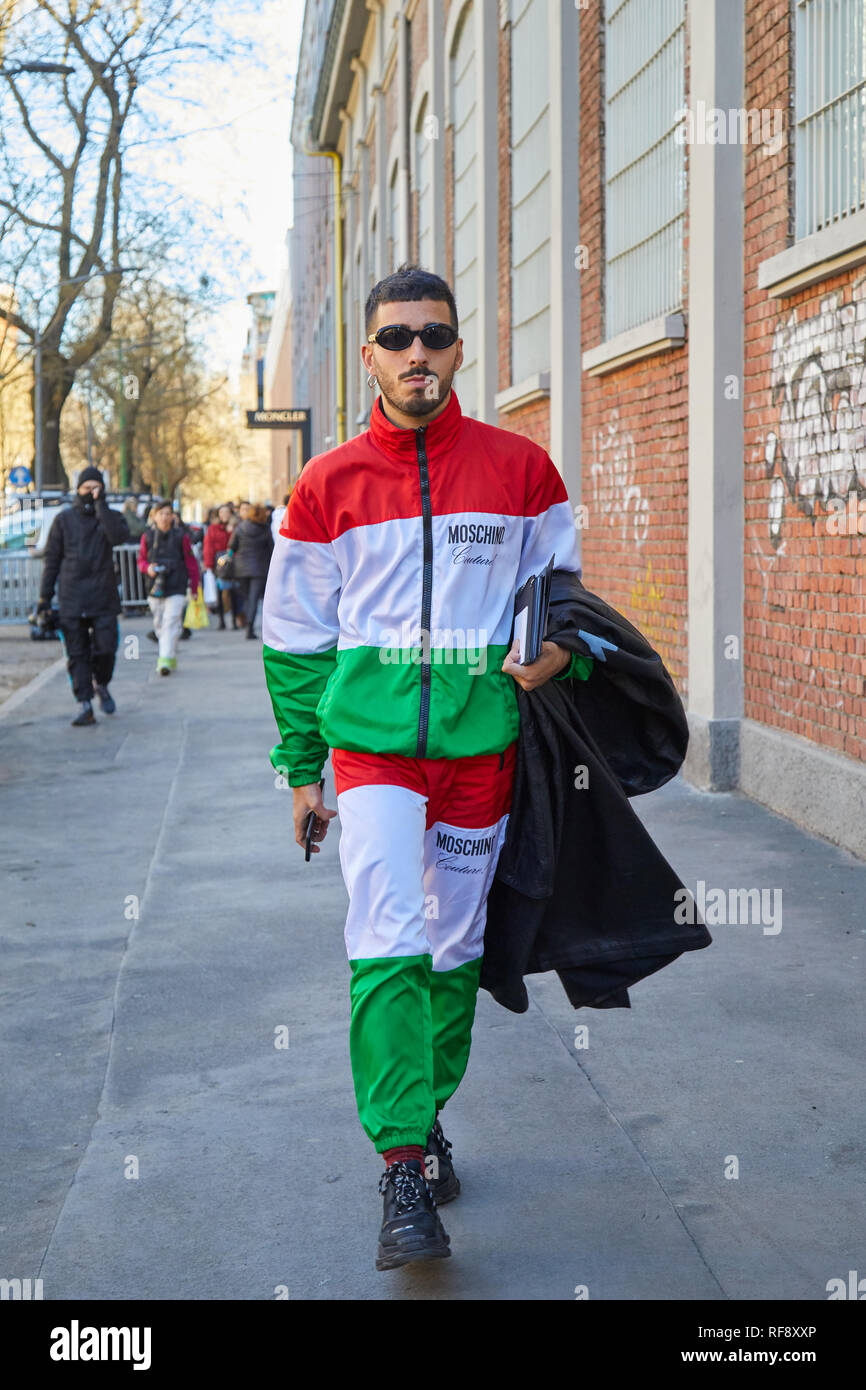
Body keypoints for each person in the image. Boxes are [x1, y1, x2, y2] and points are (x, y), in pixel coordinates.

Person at [262, 265, 585, 1270]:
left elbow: (563, 600)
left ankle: (424, 1111)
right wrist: (300, 769)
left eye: (432, 336)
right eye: (395, 337)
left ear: (456, 351)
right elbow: (293, 640)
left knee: (451, 953)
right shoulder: (324, 486)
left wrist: (554, 649)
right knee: (387, 939)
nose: (415, 353)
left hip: (479, 753)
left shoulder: (522, 471)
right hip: (371, 759)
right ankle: (401, 1165)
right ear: (368, 354)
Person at [37, 465, 130, 726]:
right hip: (72, 598)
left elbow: (119, 537)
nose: (91, 492)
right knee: (77, 654)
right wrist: (44, 597)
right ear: (78, 489)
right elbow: (52, 560)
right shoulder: (64, 520)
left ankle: (101, 683)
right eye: (87, 488)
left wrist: (101, 507)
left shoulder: (110, 516)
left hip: (103, 596)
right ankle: (85, 703)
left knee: (106, 649)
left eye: (96, 487)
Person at [137, 500, 200, 675]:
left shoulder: (182, 536)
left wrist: (194, 587)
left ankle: (163, 660)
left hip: (177, 585)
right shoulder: (147, 536)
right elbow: (141, 560)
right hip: (155, 587)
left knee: (170, 621)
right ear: (154, 516)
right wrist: (147, 568)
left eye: (168, 513)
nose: (164, 517)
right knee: (159, 624)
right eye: (161, 513)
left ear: (173, 516)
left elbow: (191, 562)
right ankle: (170, 654)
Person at [228, 502, 273, 640]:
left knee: (247, 598)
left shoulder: (241, 527)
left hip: (241, 569)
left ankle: (247, 623)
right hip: (259, 569)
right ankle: (250, 628)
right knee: (254, 598)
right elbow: (271, 549)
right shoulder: (265, 529)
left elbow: (231, 546)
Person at [203, 503, 241, 631]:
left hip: (233, 563)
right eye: (222, 512)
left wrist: (232, 531)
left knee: (234, 593)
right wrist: (209, 564)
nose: (224, 515)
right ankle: (221, 621)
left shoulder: (236, 527)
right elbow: (208, 547)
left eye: (227, 512)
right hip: (219, 564)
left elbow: (239, 544)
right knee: (220, 592)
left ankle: (234, 620)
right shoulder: (213, 528)